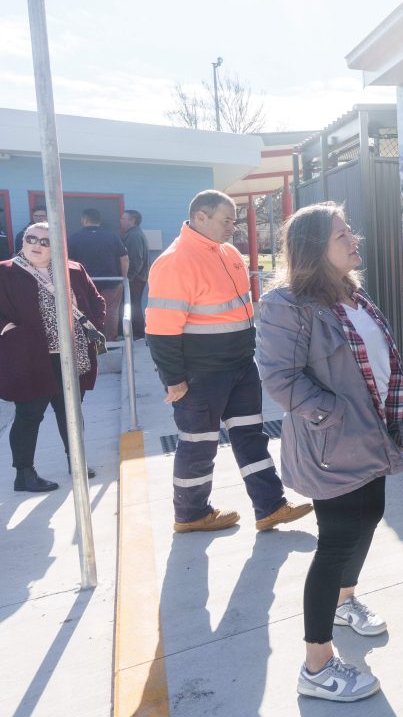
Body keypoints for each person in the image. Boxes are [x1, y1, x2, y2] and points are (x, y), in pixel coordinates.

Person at [258, 202, 403, 702]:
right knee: (337, 541)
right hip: (335, 441)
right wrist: (332, 414)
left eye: (351, 231)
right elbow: (279, 378)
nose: (355, 241)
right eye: (341, 235)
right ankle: (317, 664)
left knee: (370, 514)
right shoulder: (287, 304)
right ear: (313, 250)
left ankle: (346, 601)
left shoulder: (351, 294)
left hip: (370, 433)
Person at [147, 190, 311, 533]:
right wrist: (173, 379)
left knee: (251, 436)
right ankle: (190, 515)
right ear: (201, 217)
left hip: (239, 366)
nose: (232, 228)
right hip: (200, 375)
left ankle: (270, 507)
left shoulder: (229, 253)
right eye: (226, 220)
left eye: (234, 221)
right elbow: (161, 330)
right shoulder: (175, 262)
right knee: (198, 445)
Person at [1, 222, 105, 491]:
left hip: (72, 355)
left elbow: (96, 302)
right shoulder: (6, 272)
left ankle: (76, 461)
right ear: (23, 241)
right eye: (31, 238)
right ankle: (24, 474)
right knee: (29, 414)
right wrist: (6, 329)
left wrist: (92, 326)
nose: (37, 244)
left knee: (70, 411)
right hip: (30, 358)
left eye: (45, 241)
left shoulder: (73, 269)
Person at [68, 208, 128, 280]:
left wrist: (73, 279)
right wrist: (123, 278)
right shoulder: (113, 237)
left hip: (85, 282)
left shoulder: (74, 238)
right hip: (110, 282)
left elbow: (70, 261)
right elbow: (125, 259)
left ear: (84, 220)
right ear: (99, 221)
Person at [120, 209, 149, 339]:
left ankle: (139, 333)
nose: (121, 221)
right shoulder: (132, 234)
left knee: (133, 305)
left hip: (135, 278)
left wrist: (129, 277)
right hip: (137, 277)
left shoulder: (134, 236)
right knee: (133, 304)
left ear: (132, 221)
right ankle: (137, 332)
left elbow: (136, 258)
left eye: (123, 218)